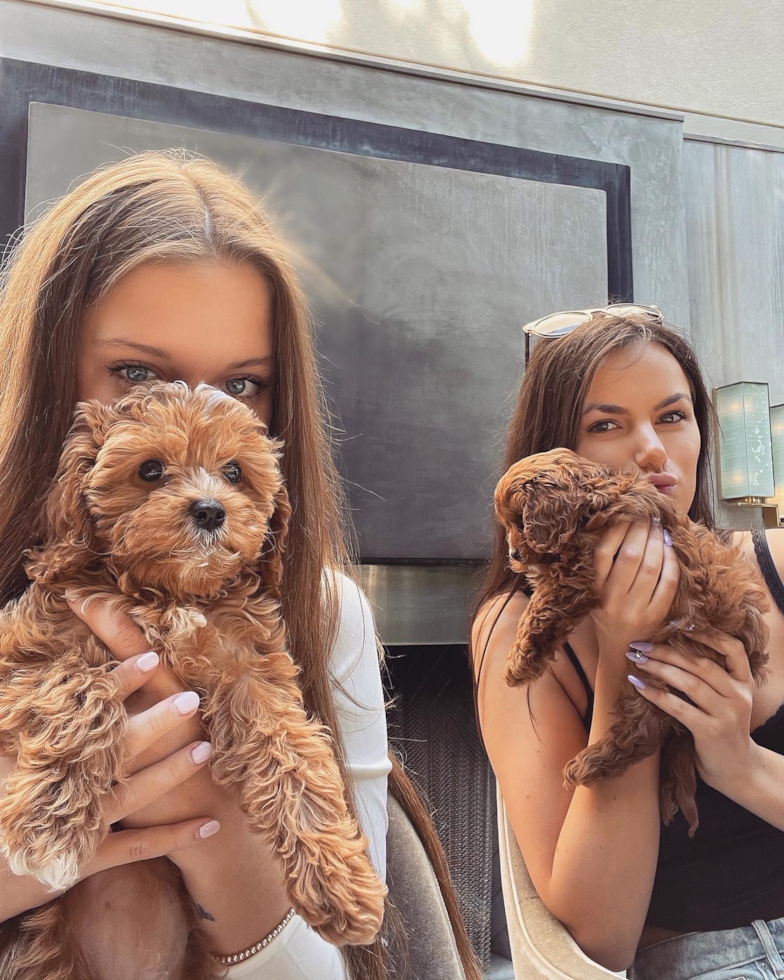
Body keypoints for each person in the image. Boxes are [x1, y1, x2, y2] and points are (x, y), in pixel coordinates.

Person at [0, 150, 476, 980]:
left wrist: (213, 821)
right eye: (137, 372)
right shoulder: (43, 594)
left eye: (243, 384)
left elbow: (352, 957)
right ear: (43, 369)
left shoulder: (325, 613)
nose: (193, 411)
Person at [472, 308, 784, 980]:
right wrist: (622, 663)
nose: (653, 451)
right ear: (556, 459)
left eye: (673, 416)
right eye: (606, 425)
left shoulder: (774, 566)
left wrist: (741, 765)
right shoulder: (521, 630)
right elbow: (598, 937)